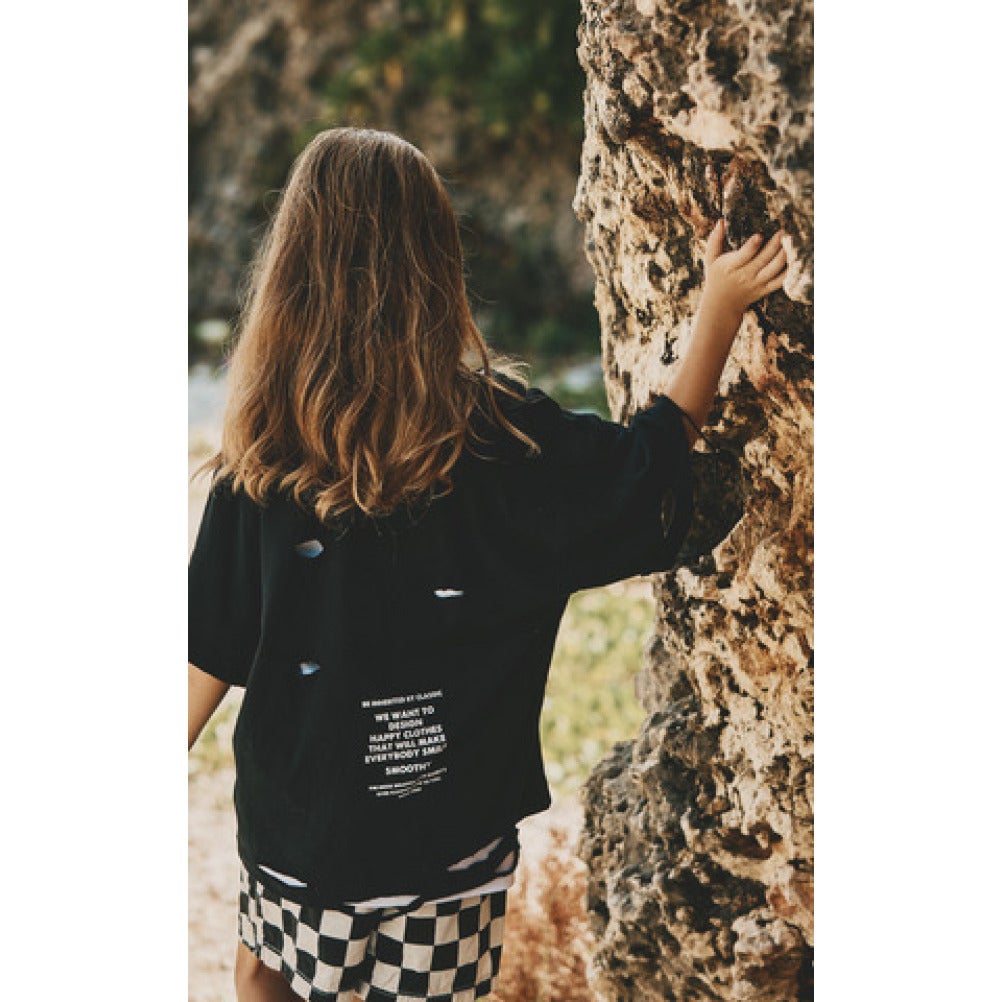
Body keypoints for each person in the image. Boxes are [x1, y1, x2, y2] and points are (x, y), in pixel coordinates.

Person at [188, 126, 787, 1002]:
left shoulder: (264, 465)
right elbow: (645, 472)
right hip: (450, 855)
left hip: (301, 849)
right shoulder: (503, 440)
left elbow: (203, 661)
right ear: (437, 266)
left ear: (292, 273)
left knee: (264, 975)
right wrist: (719, 312)